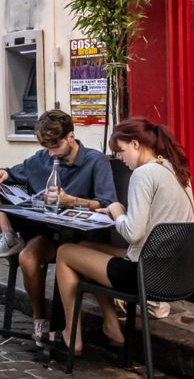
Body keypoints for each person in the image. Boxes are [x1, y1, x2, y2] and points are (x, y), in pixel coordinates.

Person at [53, 118, 194, 354]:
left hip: (143, 275)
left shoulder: (143, 174)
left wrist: (117, 210)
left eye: (121, 151)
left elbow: (132, 233)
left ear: (136, 144)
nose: (121, 158)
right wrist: (123, 214)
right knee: (86, 245)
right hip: (175, 272)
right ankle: (112, 328)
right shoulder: (174, 169)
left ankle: (71, 336)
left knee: (65, 252)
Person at [0, 109, 116, 345]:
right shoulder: (43, 158)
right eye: (46, 147)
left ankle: (70, 332)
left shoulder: (95, 160)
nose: (51, 153)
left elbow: (107, 203)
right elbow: (13, 172)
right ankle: (39, 318)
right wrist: (2, 173)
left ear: (70, 136)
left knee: (55, 254)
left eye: (55, 146)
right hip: (46, 233)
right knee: (27, 258)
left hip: (79, 239)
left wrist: (72, 201)